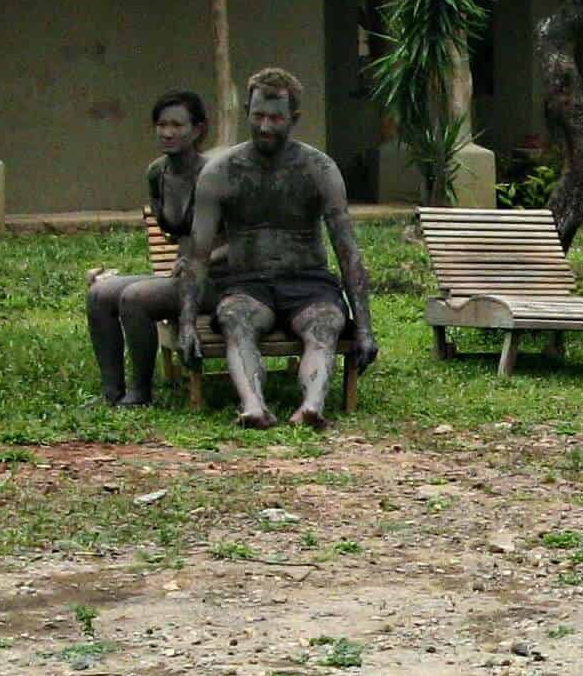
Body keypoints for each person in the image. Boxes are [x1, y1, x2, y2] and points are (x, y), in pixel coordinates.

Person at [180, 67, 379, 430]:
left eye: (275, 118)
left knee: (327, 323)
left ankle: (311, 406)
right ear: (246, 113)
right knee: (234, 319)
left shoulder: (319, 169)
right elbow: (197, 254)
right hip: (247, 283)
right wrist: (187, 322)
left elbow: (347, 250)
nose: (266, 127)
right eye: (258, 116)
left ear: (294, 118)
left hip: (308, 280)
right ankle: (253, 405)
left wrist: (364, 327)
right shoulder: (220, 172)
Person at [86, 90, 211, 407]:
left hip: (220, 279)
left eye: (177, 125)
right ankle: (111, 392)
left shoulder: (216, 175)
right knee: (100, 294)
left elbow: (242, 242)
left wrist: (199, 260)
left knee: (136, 298)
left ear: (197, 130)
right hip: (181, 278)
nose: (167, 132)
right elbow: (171, 232)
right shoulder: (158, 174)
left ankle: (140, 392)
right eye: (161, 124)